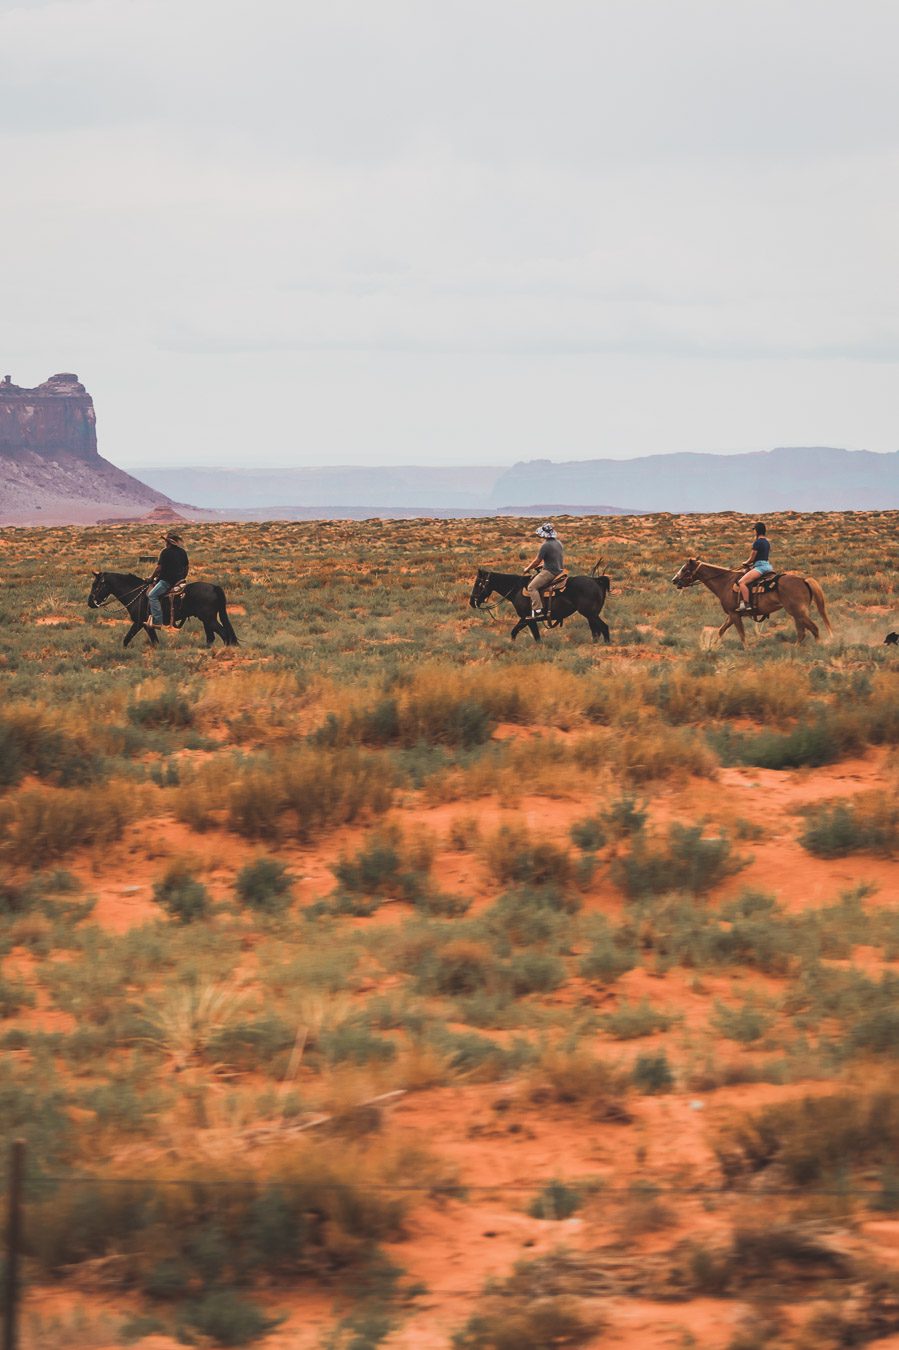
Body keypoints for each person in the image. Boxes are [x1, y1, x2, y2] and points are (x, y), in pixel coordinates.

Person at [147, 531, 189, 627]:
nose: (165, 544)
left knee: (152, 595)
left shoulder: (165, 552)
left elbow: (159, 568)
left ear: (168, 543)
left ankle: (157, 622)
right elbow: (186, 567)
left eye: (166, 542)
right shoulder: (182, 552)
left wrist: (151, 577)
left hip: (167, 582)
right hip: (179, 582)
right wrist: (182, 577)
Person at [525, 523, 564, 618]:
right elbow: (554, 558)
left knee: (531, 587)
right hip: (559, 570)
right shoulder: (558, 543)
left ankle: (538, 611)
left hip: (550, 572)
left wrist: (527, 568)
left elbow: (537, 561)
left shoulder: (545, 545)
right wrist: (544, 564)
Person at [736, 522, 773, 611]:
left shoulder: (757, 542)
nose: (754, 532)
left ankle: (746, 604)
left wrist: (745, 563)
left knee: (741, 582)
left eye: (754, 530)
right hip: (768, 566)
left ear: (757, 531)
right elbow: (761, 556)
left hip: (760, 568)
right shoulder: (767, 542)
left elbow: (752, 558)